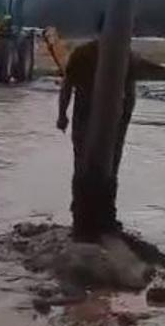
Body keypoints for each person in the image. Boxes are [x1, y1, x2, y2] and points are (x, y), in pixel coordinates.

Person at [57, 13, 136, 238]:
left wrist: (125, 119)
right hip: (89, 120)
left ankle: (101, 216)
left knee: (103, 167)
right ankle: (85, 216)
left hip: (109, 122)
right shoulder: (87, 54)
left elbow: (130, 92)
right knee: (91, 166)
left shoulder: (124, 56)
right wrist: (62, 115)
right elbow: (67, 86)